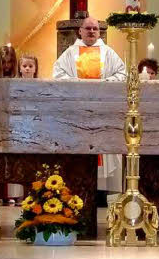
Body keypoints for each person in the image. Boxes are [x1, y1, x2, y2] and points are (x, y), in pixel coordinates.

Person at [53, 16, 126, 192]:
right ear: (80, 31)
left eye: (95, 28)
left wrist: (104, 84)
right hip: (77, 109)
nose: (91, 31)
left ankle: (104, 191)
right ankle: (78, 187)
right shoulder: (70, 53)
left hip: (103, 109)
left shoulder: (108, 53)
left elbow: (122, 74)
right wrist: (78, 85)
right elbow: (57, 74)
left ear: (99, 32)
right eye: (88, 28)